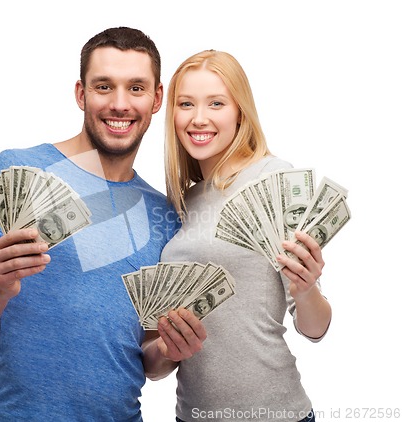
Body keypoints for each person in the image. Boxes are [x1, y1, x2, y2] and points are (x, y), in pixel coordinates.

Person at [0, 27, 204, 421]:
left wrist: (170, 351)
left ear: (156, 99)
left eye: (136, 88)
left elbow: (150, 360)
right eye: (104, 87)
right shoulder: (16, 170)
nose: (120, 104)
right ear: (81, 94)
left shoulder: (165, 214)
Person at [142, 50, 332, 422]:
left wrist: (308, 289)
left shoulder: (274, 179)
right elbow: (155, 365)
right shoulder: (181, 202)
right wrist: (168, 348)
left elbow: (315, 329)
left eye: (216, 103)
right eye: (186, 104)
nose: (199, 118)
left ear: (239, 112)